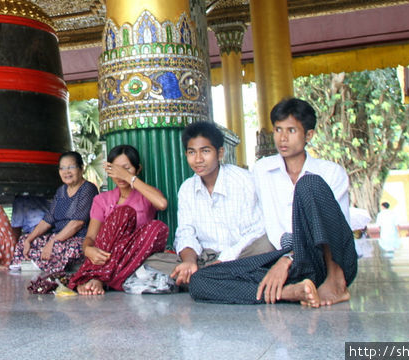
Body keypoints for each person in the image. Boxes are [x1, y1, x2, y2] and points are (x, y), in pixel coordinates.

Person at [189, 98, 357, 308]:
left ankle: (336, 285)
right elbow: (256, 220)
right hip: (284, 260)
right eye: (278, 129)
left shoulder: (331, 172)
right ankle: (290, 292)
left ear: (309, 135)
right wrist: (229, 258)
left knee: (309, 185)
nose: (282, 138)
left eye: (291, 131)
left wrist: (288, 259)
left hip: (325, 259)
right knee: (201, 280)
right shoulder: (262, 170)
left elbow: (336, 232)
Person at [142, 122, 271, 289]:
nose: (198, 159)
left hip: (240, 256)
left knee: (266, 245)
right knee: (152, 261)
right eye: (191, 152)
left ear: (220, 153)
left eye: (205, 151)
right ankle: (212, 279)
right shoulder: (187, 189)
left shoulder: (243, 180)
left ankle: (206, 281)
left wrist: (223, 261)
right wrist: (189, 261)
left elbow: (255, 232)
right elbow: (185, 232)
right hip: (204, 258)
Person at [68, 145, 169, 295]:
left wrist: (129, 177)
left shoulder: (146, 194)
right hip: (106, 255)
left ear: (138, 169)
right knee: (123, 214)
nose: (120, 175)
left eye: (127, 168)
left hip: (134, 254)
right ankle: (108, 279)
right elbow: (90, 237)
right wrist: (88, 250)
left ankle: (101, 279)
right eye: (116, 170)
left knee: (158, 227)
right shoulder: (101, 199)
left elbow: (162, 204)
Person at [12, 151, 98, 274]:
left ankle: (38, 268)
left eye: (71, 167)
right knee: (23, 240)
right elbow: (49, 219)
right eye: (62, 168)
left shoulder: (88, 189)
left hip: (79, 239)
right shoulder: (61, 191)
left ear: (81, 169)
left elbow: (77, 223)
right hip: (58, 236)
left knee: (59, 248)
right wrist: (29, 239)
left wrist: (53, 242)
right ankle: (33, 265)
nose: (66, 172)